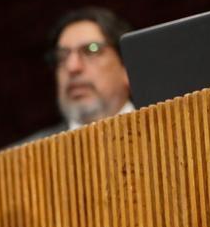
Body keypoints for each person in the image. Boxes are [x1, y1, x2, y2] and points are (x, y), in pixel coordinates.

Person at [23, 7, 134, 143]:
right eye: (62, 56)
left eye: (91, 50)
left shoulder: (158, 131)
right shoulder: (24, 153)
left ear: (126, 68)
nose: (72, 67)